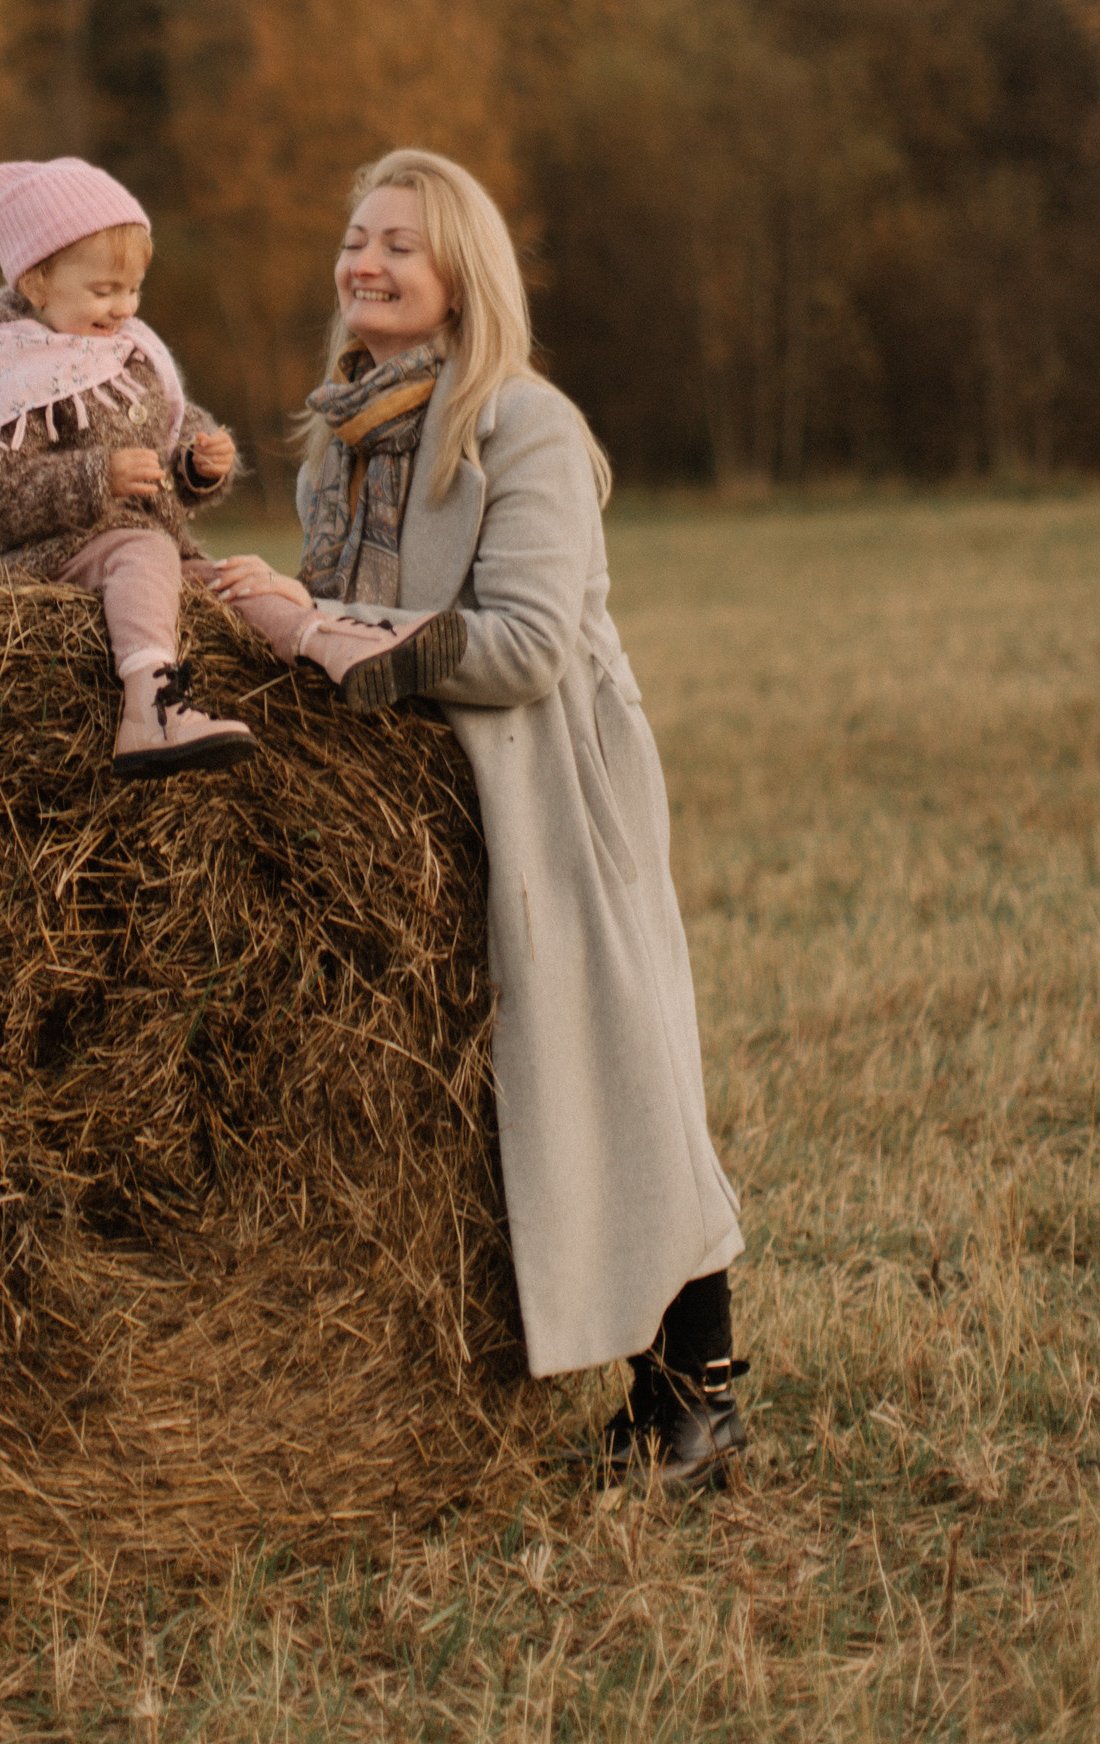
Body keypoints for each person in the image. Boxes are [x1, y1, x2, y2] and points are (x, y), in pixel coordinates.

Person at [207, 147, 748, 1490]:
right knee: (495, 1093)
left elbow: (520, 652)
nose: (366, 262)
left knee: (616, 1072)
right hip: (423, 805)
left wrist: (313, 621)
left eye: (401, 242)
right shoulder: (343, 435)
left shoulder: (525, 425)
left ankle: (699, 1406)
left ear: (462, 273)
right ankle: (609, 1389)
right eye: (354, 237)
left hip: (554, 780)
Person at [0, 157, 465, 776]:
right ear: (36, 282)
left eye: (132, 290)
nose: (122, 307)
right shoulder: (6, 374)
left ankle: (337, 645)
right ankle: (149, 704)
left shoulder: (128, 355)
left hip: (135, 552)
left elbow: (174, 434)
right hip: (31, 560)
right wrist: (97, 477)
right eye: (103, 291)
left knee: (231, 581)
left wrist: (197, 463)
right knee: (146, 551)